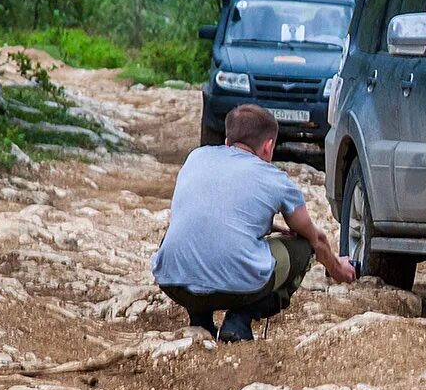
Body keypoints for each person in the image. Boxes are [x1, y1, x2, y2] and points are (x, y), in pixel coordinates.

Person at [152, 104, 356, 341]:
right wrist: (338, 268)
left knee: (183, 235)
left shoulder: (196, 157)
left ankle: (201, 321)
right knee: (303, 246)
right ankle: (239, 320)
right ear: (268, 147)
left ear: (228, 141)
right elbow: (316, 239)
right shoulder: (275, 179)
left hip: (174, 284)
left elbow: (215, 217)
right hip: (239, 289)